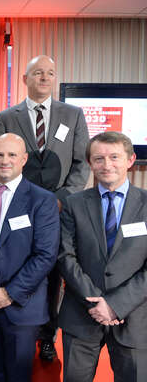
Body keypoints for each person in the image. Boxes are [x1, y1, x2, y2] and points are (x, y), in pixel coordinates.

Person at [0, 55, 90, 361]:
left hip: (59, 207)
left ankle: (48, 334)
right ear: (25, 79)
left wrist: (61, 197)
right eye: (38, 73)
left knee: (55, 270)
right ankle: (16, 323)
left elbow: (80, 162)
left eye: (50, 73)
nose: (45, 78)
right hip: (19, 207)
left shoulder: (72, 114)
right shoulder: (7, 116)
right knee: (21, 265)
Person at [58, 131, 147, 382]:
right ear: (90, 164)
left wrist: (114, 305)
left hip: (134, 319)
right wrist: (96, 303)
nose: (107, 165)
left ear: (130, 160)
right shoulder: (74, 204)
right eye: (99, 159)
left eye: (114, 157)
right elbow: (65, 256)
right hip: (81, 316)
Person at [0, 133, 59, 382]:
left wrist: (9, 293)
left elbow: (45, 255)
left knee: (18, 375)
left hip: (21, 305)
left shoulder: (42, 200)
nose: (5, 160)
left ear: (24, 159)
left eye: (12, 155)